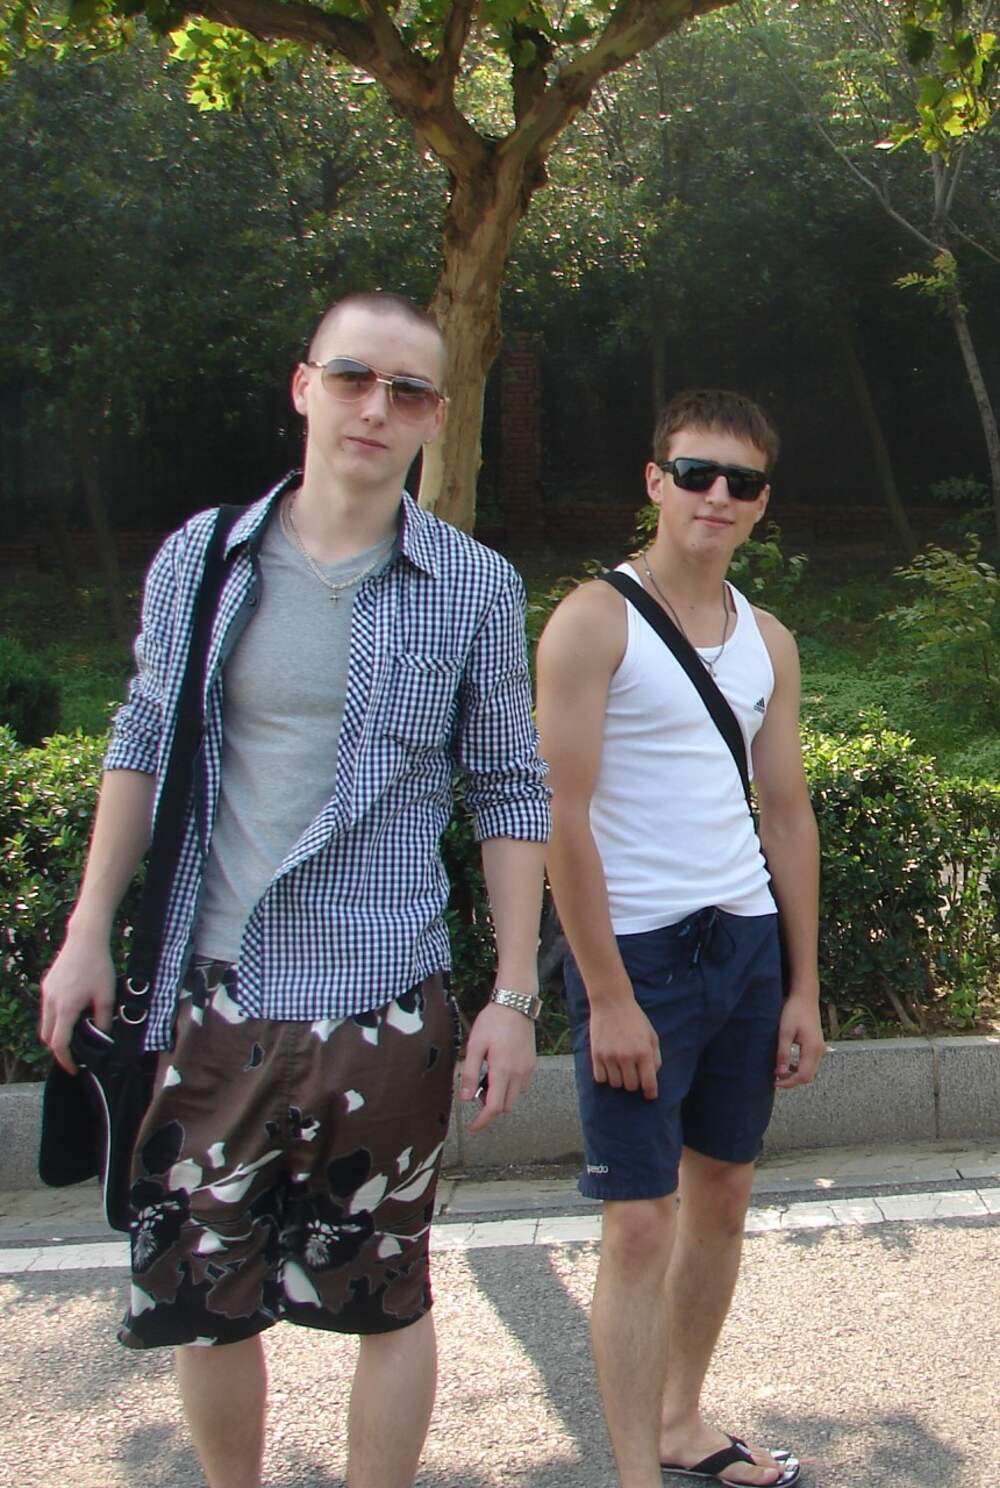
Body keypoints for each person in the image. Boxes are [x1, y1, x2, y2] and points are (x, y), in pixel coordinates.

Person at [40, 290, 550, 1488]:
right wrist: (87, 930)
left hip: (386, 1002)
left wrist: (514, 994)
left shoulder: (471, 585)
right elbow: (141, 742)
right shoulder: (203, 558)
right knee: (201, 1296)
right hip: (209, 996)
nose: (376, 408)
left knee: (386, 1295)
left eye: (408, 391)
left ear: (435, 417)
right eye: (353, 377)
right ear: (304, 386)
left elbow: (510, 789)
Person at [536, 389, 824, 1488]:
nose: (717, 496)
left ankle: (681, 1424)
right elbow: (561, 816)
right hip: (640, 956)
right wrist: (607, 994)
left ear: (761, 503)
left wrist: (803, 987)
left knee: (724, 1198)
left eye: (740, 482)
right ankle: (634, 1474)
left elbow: (785, 814)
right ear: (655, 481)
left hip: (745, 943)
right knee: (639, 1225)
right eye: (696, 473)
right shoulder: (593, 620)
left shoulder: (768, 641)